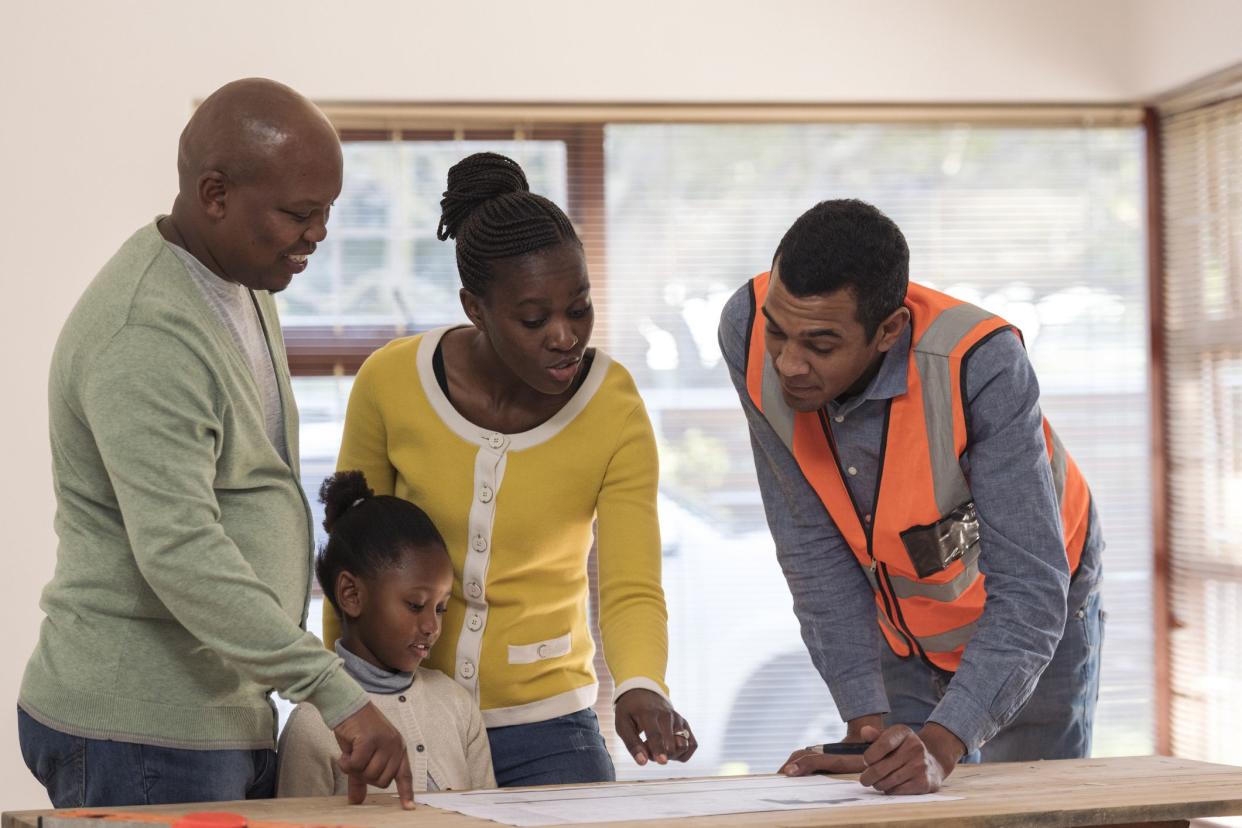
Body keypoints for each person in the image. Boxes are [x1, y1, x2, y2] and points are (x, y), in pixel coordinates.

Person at [18, 78, 415, 809]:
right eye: (301, 214)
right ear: (215, 194)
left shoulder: (241, 280)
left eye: (327, 213)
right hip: (142, 729)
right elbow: (181, 551)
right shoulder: (146, 332)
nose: (319, 235)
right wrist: (335, 692)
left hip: (214, 712)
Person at [323, 151, 697, 786]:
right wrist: (341, 698)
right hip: (405, 714)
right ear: (475, 306)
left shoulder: (613, 405)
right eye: (534, 318)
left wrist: (641, 684)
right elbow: (349, 563)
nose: (564, 336)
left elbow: (631, 583)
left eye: (579, 309)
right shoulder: (391, 383)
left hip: (550, 727)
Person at [717, 199, 1104, 794]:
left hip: (1037, 604)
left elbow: (1030, 588)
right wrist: (867, 731)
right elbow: (809, 542)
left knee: (1026, 804)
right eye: (780, 333)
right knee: (900, 793)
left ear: (889, 330)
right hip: (899, 613)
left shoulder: (982, 364)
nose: (789, 363)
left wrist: (943, 743)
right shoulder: (746, 329)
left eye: (820, 345)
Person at [278, 471, 495, 796]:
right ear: (351, 594)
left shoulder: (456, 704)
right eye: (415, 604)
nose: (432, 627)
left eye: (440, 608)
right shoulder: (312, 724)